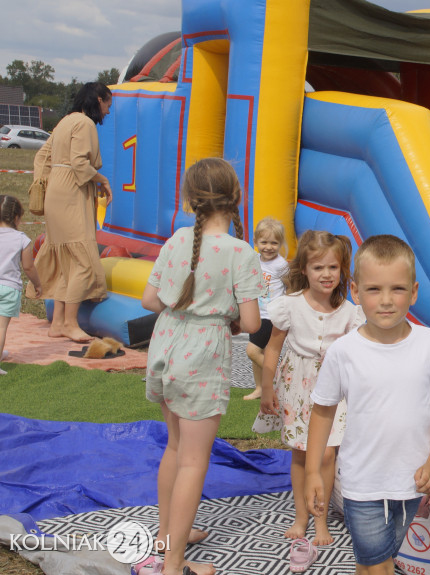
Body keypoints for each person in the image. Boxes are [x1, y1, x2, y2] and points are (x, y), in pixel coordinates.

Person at [304, 234, 430, 575]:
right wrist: (314, 469)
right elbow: (322, 410)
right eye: (374, 290)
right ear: (356, 292)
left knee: (373, 562)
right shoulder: (344, 352)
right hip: (362, 484)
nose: (386, 301)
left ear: (414, 292)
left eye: (398, 289)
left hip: (412, 483)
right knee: (379, 566)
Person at [138, 157, 263, 575]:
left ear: (191, 200)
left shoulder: (175, 240)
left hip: (166, 344)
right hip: (203, 353)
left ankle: (167, 535)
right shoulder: (240, 253)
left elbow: (150, 301)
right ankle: (174, 564)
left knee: (175, 448)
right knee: (194, 460)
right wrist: (220, 314)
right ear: (235, 198)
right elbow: (250, 323)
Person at [252, 230, 364, 548]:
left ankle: (320, 517)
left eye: (333, 267)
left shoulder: (349, 312)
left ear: (342, 270)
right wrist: (267, 387)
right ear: (304, 269)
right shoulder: (290, 306)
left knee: (327, 455)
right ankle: (301, 515)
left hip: (333, 389)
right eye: (318, 267)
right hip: (297, 388)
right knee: (301, 455)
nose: (326, 274)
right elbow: (272, 349)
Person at [33, 81, 113, 343]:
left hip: (56, 191)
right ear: (98, 100)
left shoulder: (65, 121)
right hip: (71, 193)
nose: (108, 112)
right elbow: (80, 164)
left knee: (65, 257)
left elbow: (42, 156)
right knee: (82, 260)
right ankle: (69, 322)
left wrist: (45, 182)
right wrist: (102, 180)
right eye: (107, 105)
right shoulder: (84, 123)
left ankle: (58, 322)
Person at [242, 216, 289, 401]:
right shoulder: (253, 260)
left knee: (252, 351)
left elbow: (289, 286)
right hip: (255, 313)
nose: (268, 247)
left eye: (274, 243)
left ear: (280, 244)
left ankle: (281, 380)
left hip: (271, 315)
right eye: (264, 242)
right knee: (258, 352)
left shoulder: (280, 265)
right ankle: (260, 388)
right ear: (255, 242)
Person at [0, 196, 42, 375]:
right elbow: (28, 266)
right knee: (1, 327)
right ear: (17, 217)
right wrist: (37, 284)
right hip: (9, 288)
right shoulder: (21, 239)